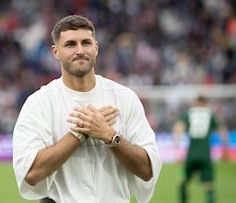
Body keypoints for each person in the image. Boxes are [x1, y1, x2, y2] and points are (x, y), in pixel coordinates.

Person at [12, 15, 162, 203]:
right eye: (70, 44)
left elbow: (147, 170)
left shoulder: (124, 98)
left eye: (86, 43)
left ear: (96, 48)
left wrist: (110, 136)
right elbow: (31, 173)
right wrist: (80, 133)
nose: (80, 50)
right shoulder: (39, 104)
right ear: (55, 51)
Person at [173, 95, 228, 203]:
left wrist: (178, 148)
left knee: (183, 181)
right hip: (205, 154)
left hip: (191, 153)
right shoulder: (210, 114)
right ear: (206, 103)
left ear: (196, 102)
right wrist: (224, 148)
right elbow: (222, 130)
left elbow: (178, 128)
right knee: (209, 184)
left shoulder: (189, 113)